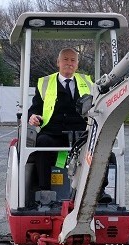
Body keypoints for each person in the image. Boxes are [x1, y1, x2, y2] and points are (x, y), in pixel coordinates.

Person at [28, 48, 92, 193]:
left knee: (100, 145)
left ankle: (98, 192)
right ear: (58, 62)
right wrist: (33, 116)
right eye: (65, 59)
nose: (69, 63)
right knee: (42, 142)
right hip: (53, 133)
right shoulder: (45, 83)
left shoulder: (88, 82)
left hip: (80, 135)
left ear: (77, 64)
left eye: (73, 60)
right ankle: (44, 192)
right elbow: (35, 108)